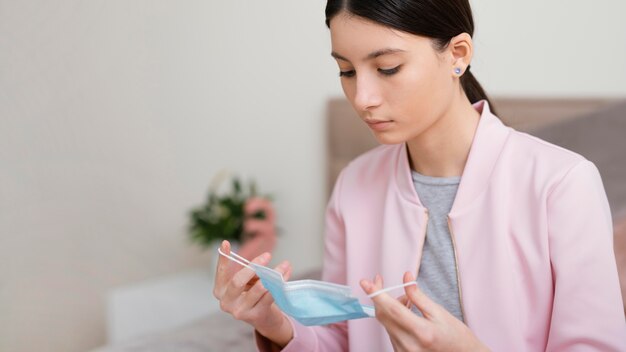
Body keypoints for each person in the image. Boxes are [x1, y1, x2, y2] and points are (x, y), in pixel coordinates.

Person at [213, 0, 626, 350]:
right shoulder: (354, 187)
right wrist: (275, 324)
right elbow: (339, 337)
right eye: (347, 71)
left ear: (458, 54)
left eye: (388, 68)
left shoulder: (562, 183)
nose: (363, 98)